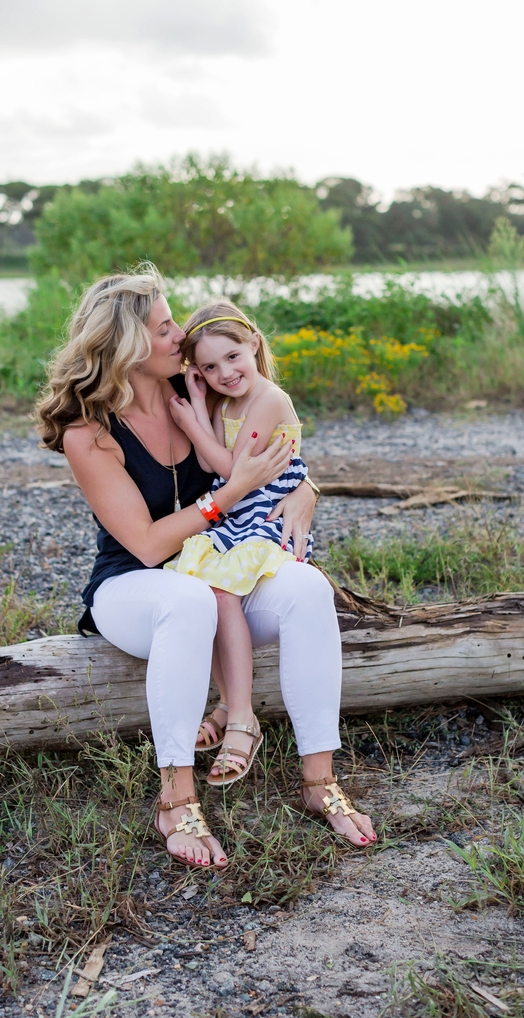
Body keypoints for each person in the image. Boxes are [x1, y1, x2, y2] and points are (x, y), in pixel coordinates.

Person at [36, 264, 376, 870]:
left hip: (219, 567)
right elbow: (143, 544)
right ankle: (177, 801)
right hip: (135, 589)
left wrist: (308, 488)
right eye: (165, 327)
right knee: (187, 599)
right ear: (130, 344)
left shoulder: (196, 394)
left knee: (304, 586)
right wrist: (226, 496)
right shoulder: (88, 431)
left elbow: (269, 451)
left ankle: (319, 780)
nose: (180, 335)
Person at [165, 300, 312, 788]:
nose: (225, 372)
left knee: (219, 589)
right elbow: (217, 468)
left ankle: (241, 713)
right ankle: (228, 702)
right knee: (195, 588)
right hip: (237, 516)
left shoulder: (269, 398)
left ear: (253, 343)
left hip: (264, 518)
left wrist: (190, 423)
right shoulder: (226, 399)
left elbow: (234, 473)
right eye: (209, 366)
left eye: (232, 356)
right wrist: (195, 396)